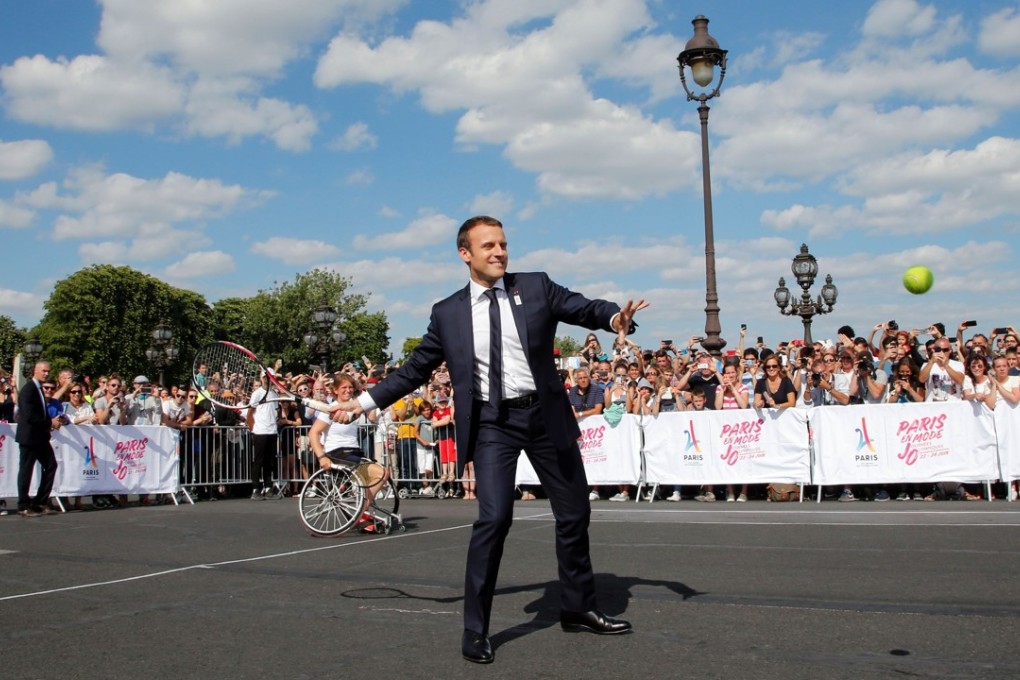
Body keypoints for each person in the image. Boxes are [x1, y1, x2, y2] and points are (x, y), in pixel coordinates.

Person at [337, 216, 644, 664]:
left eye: (503, 244)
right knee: (494, 519)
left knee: (575, 513)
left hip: (545, 417)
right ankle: (475, 629)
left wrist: (615, 316)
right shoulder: (448, 312)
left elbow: (583, 308)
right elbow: (413, 370)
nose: (500, 252)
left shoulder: (536, 287)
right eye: (489, 246)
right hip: (493, 424)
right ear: (465, 253)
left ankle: (578, 607)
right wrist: (362, 402)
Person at [310, 373, 388, 530]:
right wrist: (321, 457)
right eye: (344, 387)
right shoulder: (330, 411)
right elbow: (313, 433)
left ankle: (360, 512)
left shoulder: (354, 408)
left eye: (350, 387)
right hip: (337, 453)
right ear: (335, 391)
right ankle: (360, 514)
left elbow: (370, 408)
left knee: (379, 475)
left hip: (353, 452)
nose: (348, 390)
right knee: (383, 473)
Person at [15, 361, 60, 517]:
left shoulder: (39, 389)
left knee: (51, 465)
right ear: (36, 370)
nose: (46, 373)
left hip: (40, 437)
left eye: (48, 371)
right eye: (44, 371)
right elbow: (29, 415)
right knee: (26, 470)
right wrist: (49, 422)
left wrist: (53, 420)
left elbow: (41, 412)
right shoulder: (28, 390)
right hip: (29, 437)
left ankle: (40, 501)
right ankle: (23, 504)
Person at [246, 371, 280, 499]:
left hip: (272, 431)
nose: (268, 380)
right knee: (258, 460)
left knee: (269, 461)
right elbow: (250, 412)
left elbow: (275, 411)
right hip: (260, 431)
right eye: (266, 377)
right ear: (262, 378)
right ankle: (255, 488)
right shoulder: (257, 394)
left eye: (270, 377)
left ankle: (268, 487)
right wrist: (252, 427)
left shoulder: (274, 393)